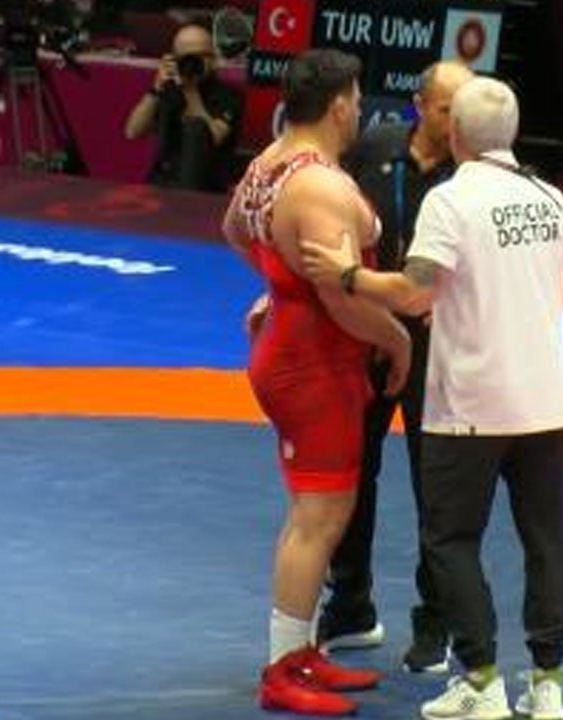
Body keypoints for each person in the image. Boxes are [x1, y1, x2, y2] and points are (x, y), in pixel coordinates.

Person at [300, 77, 563, 720]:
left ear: (454, 133)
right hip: (545, 404)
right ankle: (548, 685)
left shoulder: (450, 201)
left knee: (451, 539)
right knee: (546, 543)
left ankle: (482, 681)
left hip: (471, 405)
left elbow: (415, 293)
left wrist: (346, 275)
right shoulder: (552, 200)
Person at [221, 48, 412, 716]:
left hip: (301, 352)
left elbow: (234, 229)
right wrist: (397, 340)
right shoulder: (320, 187)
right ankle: (281, 670)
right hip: (314, 365)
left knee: (320, 512)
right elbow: (341, 297)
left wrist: (281, 286)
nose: (359, 110)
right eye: (355, 99)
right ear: (337, 106)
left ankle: (298, 652)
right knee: (317, 518)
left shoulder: (267, 163)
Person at [317, 60, 474, 677]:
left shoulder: (474, 171)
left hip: (438, 341)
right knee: (353, 471)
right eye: (447, 110)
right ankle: (350, 606)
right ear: (420, 106)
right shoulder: (374, 148)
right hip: (367, 329)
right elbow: (334, 220)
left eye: (465, 111)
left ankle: (435, 621)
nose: (457, 122)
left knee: (435, 484)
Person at [124, 20, 243, 192]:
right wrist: (155, 89)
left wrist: (190, 90)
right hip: (163, 181)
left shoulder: (228, 96)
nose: (191, 62)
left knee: (195, 126)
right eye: (185, 57)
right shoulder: (169, 91)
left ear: (213, 60)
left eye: (199, 55)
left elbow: (214, 137)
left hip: (204, 187)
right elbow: (132, 132)